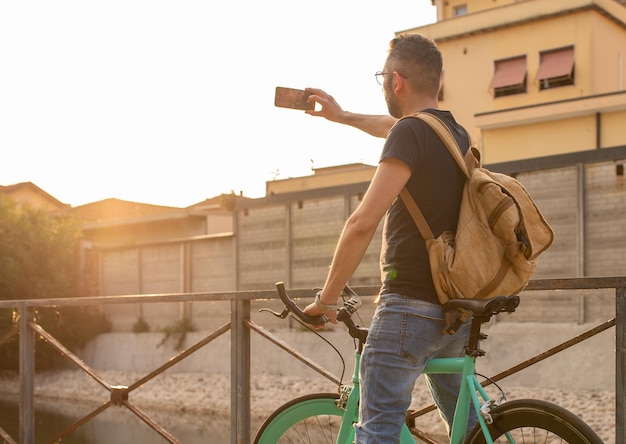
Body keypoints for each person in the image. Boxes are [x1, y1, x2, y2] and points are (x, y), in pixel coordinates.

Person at [302, 33, 477, 442]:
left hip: (409, 307)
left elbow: (362, 223)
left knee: (377, 429)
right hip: (456, 308)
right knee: (467, 432)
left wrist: (327, 300)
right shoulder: (456, 135)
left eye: (383, 78)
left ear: (396, 81)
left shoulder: (411, 133)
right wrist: (341, 115)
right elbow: (393, 127)